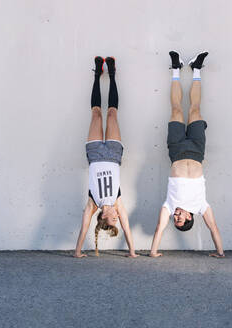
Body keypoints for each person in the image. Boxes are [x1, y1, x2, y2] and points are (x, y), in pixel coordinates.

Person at [150, 51, 225, 258]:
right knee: (194, 110)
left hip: (176, 150)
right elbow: (214, 229)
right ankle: (196, 69)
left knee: (175, 110)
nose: (176, 216)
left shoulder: (170, 205)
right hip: (196, 149)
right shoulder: (202, 207)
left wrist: (154, 253)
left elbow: (158, 229)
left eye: (175, 219)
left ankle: (176, 69)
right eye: (180, 219)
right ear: (189, 218)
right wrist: (220, 253)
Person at [74, 56, 138, 258]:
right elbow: (127, 228)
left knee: (96, 114)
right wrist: (133, 252)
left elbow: (84, 228)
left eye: (113, 219)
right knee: (111, 114)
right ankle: (111, 73)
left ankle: (96, 74)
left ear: (103, 217)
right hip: (113, 154)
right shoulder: (118, 202)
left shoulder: (93, 204)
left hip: (94, 155)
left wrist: (77, 252)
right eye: (117, 220)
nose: (117, 217)